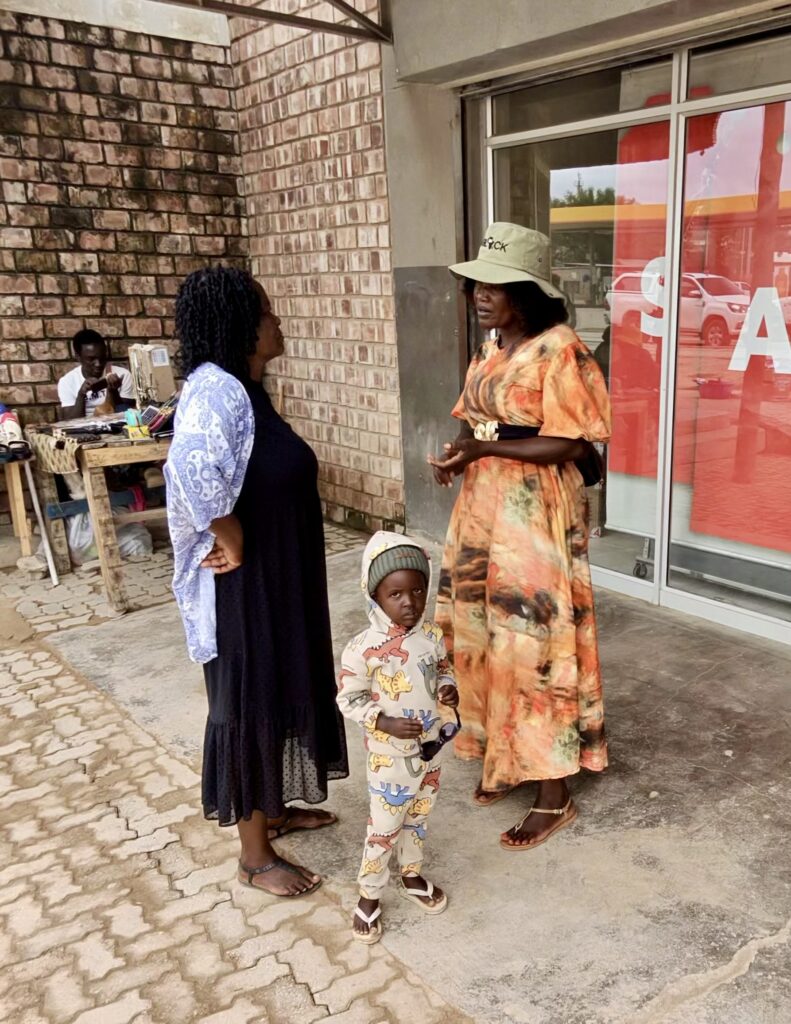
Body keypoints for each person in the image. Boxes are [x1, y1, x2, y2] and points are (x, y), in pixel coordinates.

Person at [165, 266, 348, 898]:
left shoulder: (245, 389)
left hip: (278, 579)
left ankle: (271, 810)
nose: (278, 321)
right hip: (247, 586)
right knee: (248, 700)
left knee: (279, 686)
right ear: (241, 324)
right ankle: (253, 856)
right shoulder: (216, 389)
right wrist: (232, 534)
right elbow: (189, 468)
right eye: (268, 312)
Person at [427, 222, 611, 851]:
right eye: (476, 283)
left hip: (533, 515)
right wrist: (460, 454)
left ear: (527, 291)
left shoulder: (561, 348)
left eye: (496, 284)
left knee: (534, 641)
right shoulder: (492, 347)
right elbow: (479, 423)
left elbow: (571, 441)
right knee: (481, 634)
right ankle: (505, 757)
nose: (481, 293)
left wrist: (484, 449)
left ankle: (553, 794)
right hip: (483, 510)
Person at [337, 532, 459, 943]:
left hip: (431, 752)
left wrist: (448, 688)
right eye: (395, 594)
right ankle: (369, 895)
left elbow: (443, 670)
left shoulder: (433, 635)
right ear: (375, 596)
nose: (409, 602)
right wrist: (383, 722)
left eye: (417, 590)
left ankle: (411, 875)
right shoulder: (362, 649)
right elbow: (348, 698)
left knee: (418, 818)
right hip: (389, 761)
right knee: (384, 827)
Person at [58, 329, 135, 418]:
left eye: (102, 357)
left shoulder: (122, 375)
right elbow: (70, 421)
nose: (98, 364)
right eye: (91, 359)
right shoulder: (67, 382)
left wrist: (113, 392)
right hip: (84, 425)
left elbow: (128, 415)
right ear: (78, 357)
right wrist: (81, 395)